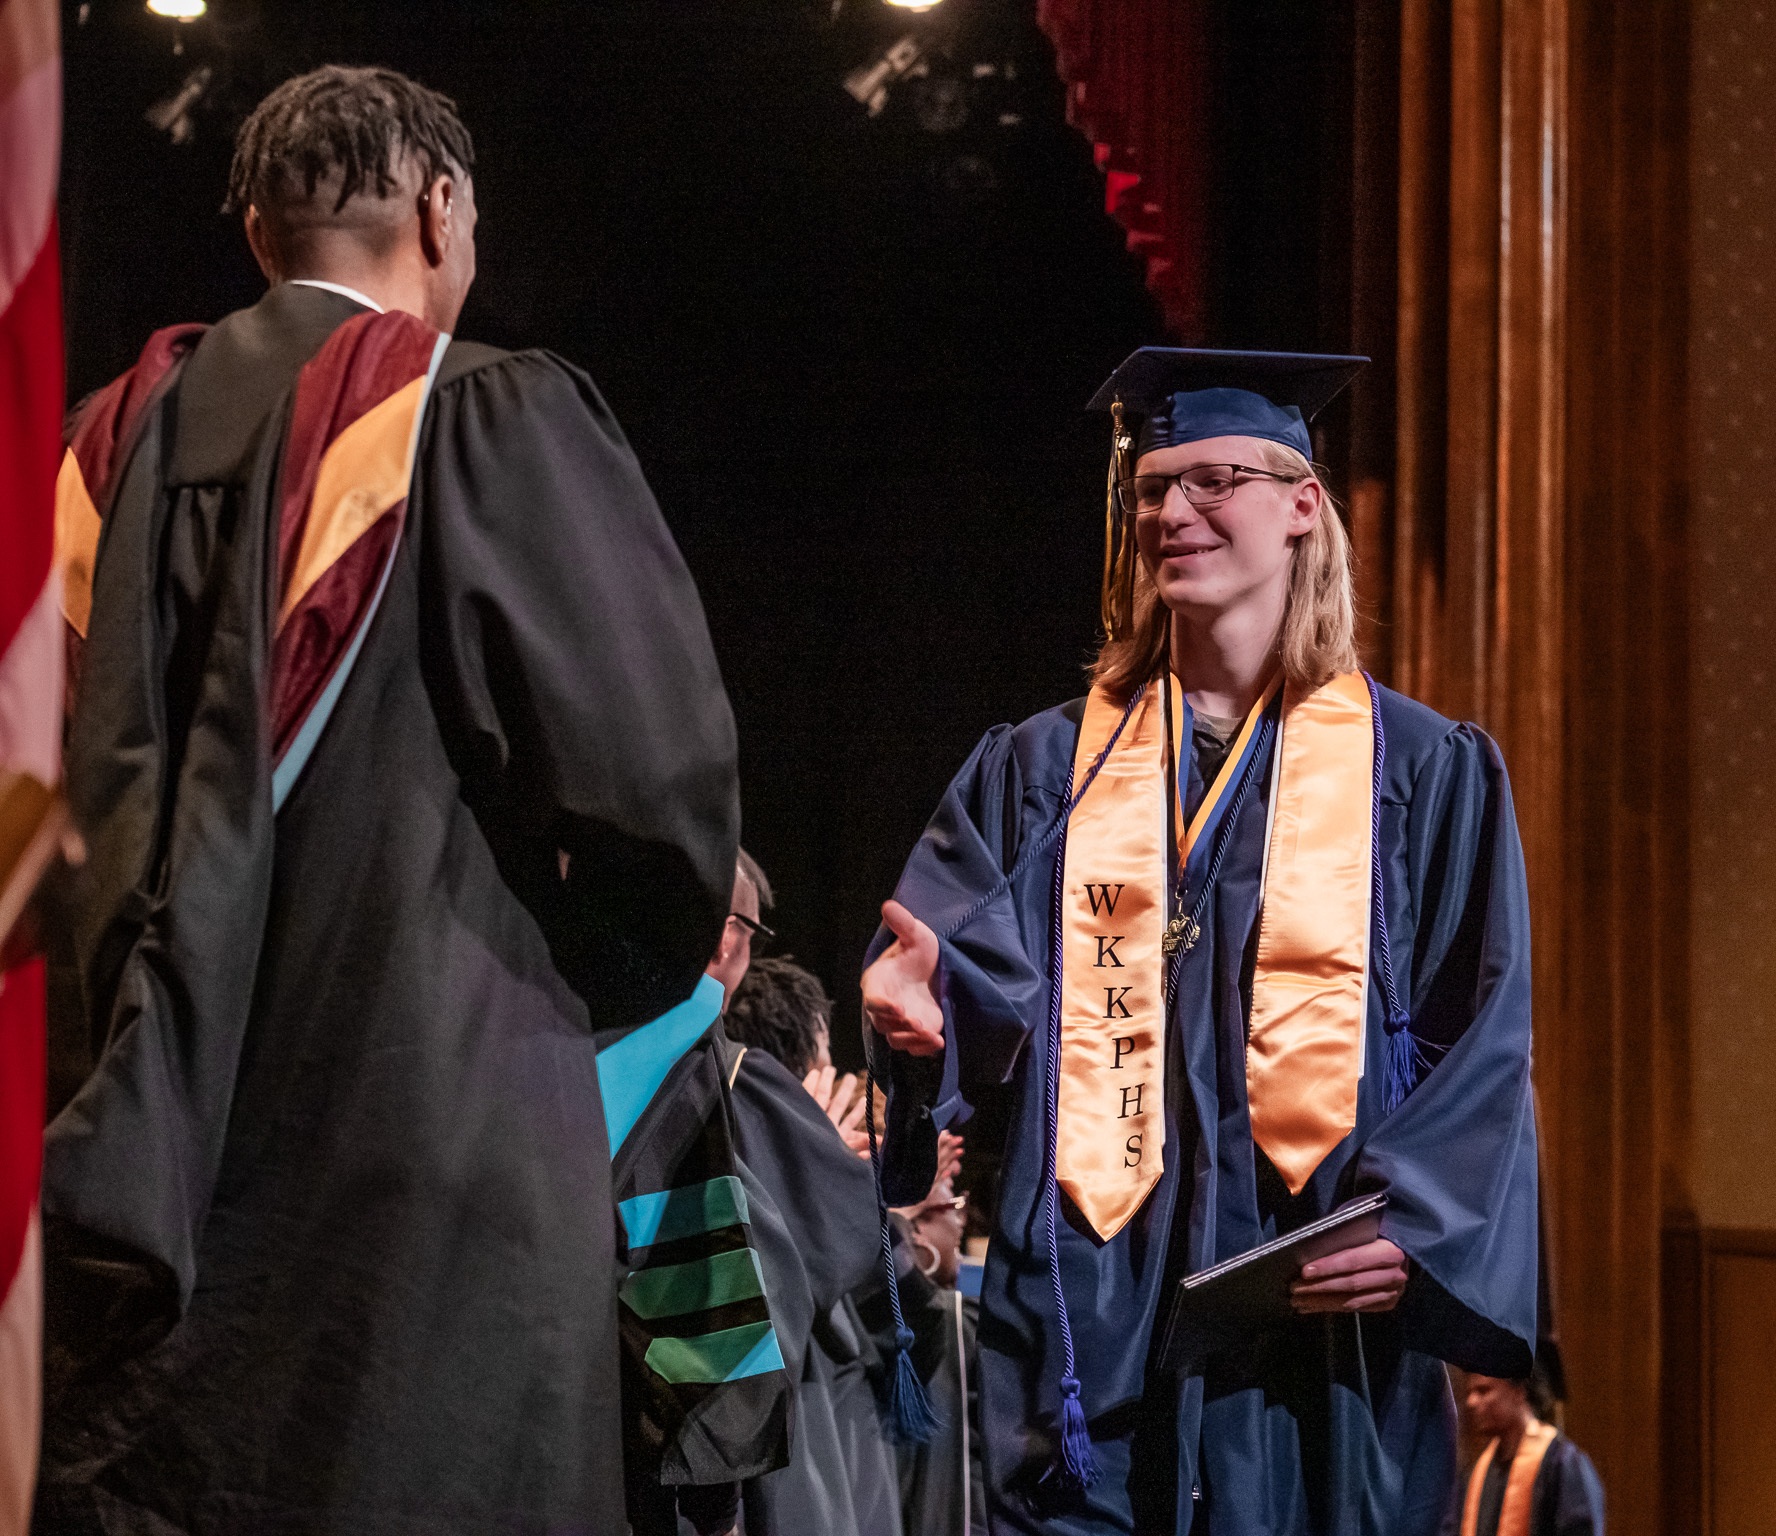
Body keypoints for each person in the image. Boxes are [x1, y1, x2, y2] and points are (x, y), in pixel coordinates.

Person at [38, 65, 738, 1532]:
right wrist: (598, 984)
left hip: (132, 1169)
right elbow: (651, 795)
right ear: (440, 210)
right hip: (435, 1152)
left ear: (254, 231)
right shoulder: (487, 412)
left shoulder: (93, 457)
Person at [861, 349, 1539, 1534]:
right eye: (1151, 490)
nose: (1172, 511)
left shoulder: (1419, 774)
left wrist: (1422, 1231)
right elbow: (954, 988)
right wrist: (919, 1027)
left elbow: (1479, 1034)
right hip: (1092, 1319)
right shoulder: (1043, 774)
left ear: (1301, 506)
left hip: (1312, 1321)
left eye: (1214, 480)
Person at [1445, 1375, 1603, 1536]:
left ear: (1519, 1392)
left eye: (1484, 1390)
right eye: (1470, 1392)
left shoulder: (1562, 1463)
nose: (1471, 1401)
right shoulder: (1476, 1471)